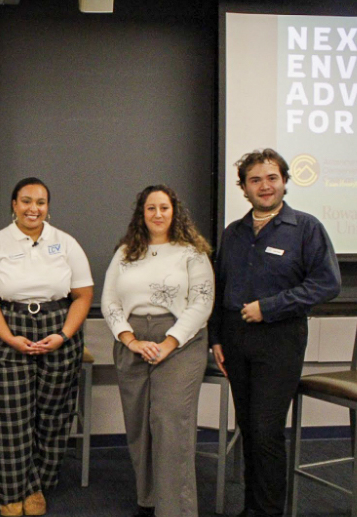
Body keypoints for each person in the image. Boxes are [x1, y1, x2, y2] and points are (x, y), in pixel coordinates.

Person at [209, 148, 341, 517]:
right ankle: (251, 508)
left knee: (266, 430)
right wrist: (215, 337)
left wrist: (269, 307)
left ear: (284, 181)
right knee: (248, 428)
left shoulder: (307, 228)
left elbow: (327, 284)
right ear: (244, 188)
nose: (264, 186)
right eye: (255, 180)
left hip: (280, 339)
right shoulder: (233, 233)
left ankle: (267, 512)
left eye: (271, 178)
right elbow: (219, 288)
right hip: (235, 340)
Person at [0, 177, 94, 517]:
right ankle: (13, 491)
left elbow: (83, 295)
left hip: (59, 330)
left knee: (54, 416)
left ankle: (37, 485)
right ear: (14, 204)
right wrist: (9, 337)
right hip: (10, 330)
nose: (33, 208)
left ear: (47, 207)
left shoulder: (66, 243)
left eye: (40, 202)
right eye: (26, 201)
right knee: (12, 417)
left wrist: (64, 335)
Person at [101, 184, 214, 517]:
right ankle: (149, 501)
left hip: (180, 342)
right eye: (151, 208)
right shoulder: (125, 253)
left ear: (174, 212)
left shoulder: (192, 253)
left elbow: (202, 303)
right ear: (142, 214)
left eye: (164, 207)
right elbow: (109, 300)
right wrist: (130, 339)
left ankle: (175, 510)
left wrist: (169, 342)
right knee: (139, 426)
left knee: (169, 423)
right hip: (132, 341)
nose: (158, 214)